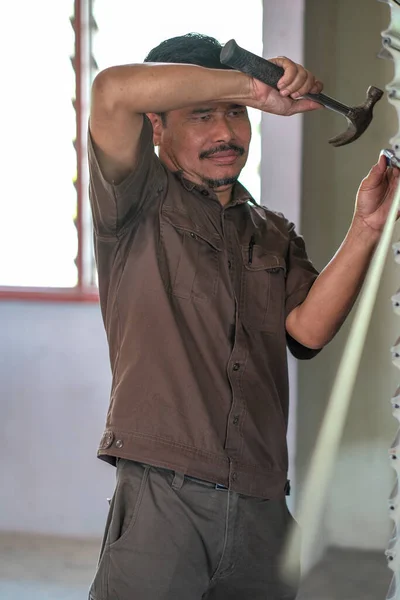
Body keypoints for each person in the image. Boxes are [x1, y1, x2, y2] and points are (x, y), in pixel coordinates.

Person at [87, 33, 399, 600]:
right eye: (200, 116)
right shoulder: (136, 201)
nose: (226, 133)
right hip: (165, 505)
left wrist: (367, 229)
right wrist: (253, 88)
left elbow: (307, 330)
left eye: (235, 115)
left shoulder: (271, 231)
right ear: (157, 129)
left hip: (261, 508)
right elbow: (110, 91)